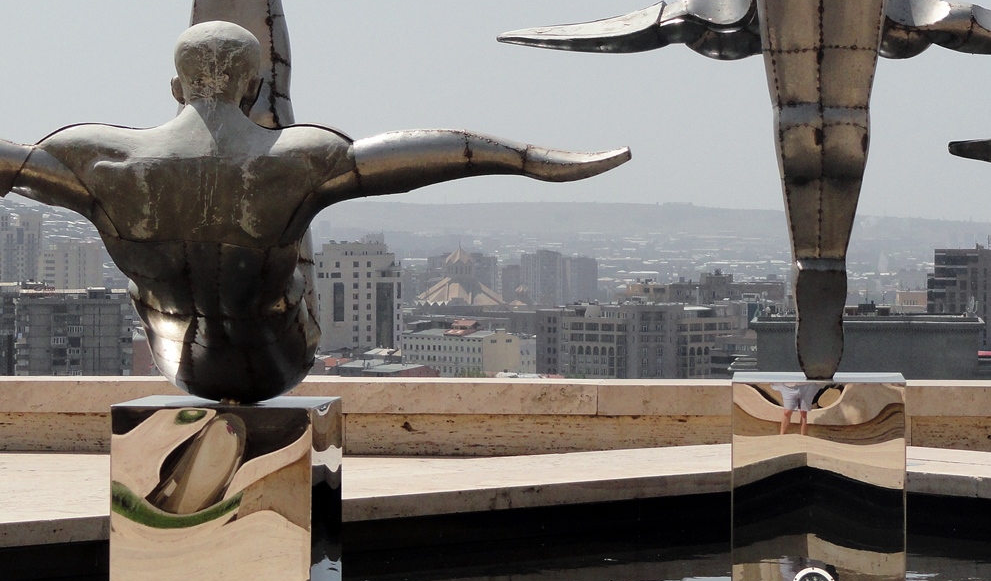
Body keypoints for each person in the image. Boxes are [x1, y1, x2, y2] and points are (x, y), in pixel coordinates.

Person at [0, 21, 629, 403]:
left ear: (175, 87)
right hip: (274, 361)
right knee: (295, 221)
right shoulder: (297, 159)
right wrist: (528, 159)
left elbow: (17, 165)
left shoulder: (97, 161)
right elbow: (426, 156)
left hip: (178, 360)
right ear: (253, 88)